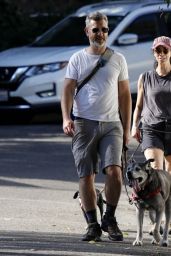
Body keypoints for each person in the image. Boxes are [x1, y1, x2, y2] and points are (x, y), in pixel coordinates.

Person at [61, 11, 132, 242]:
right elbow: (68, 90)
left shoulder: (118, 59)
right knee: (87, 176)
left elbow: (124, 96)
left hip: (112, 124)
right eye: (96, 30)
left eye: (104, 29)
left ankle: (109, 218)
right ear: (87, 32)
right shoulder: (78, 59)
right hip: (83, 123)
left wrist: (127, 127)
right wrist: (66, 118)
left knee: (115, 172)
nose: (100, 34)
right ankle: (92, 224)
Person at [131, 36, 171, 173]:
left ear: (170, 52)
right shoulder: (145, 77)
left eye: (165, 50)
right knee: (156, 172)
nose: (161, 54)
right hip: (151, 129)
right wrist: (134, 125)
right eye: (158, 50)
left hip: (170, 128)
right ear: (154, 53)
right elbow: (139, 106)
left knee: (169, 176)